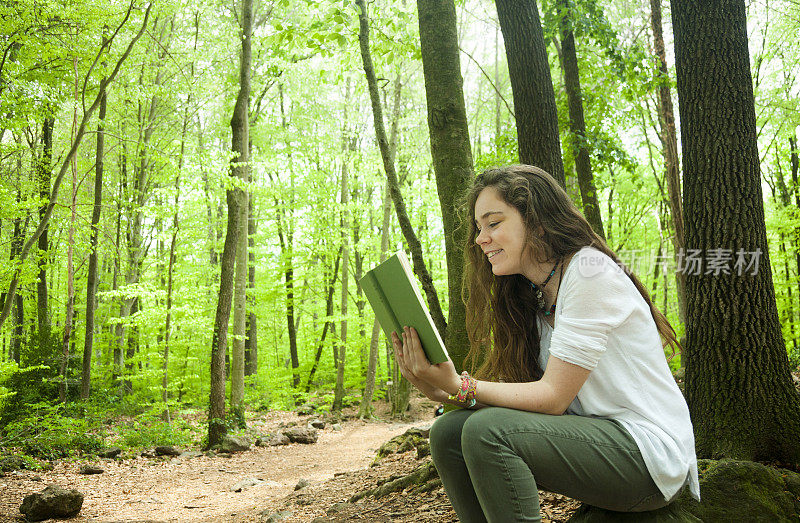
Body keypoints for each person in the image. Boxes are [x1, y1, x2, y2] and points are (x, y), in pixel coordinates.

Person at [391, 165, 699, 522]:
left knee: (486, 432)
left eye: (493, 223)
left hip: (649, 457)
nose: (480, 239)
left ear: (537, 222)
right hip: (598, 442)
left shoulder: (589, 272)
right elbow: (528, 400)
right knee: (448, 431)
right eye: (479, 228)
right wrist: (446, 393)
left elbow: (552, 399)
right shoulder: (534, 296)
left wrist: (462, 386)